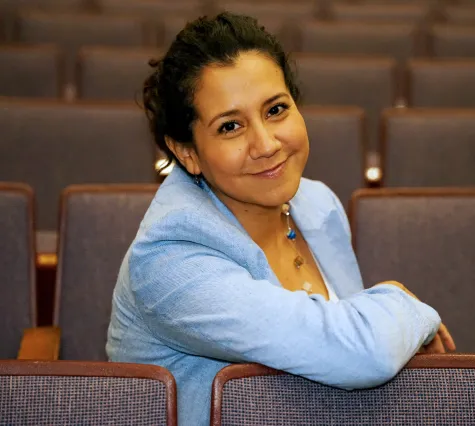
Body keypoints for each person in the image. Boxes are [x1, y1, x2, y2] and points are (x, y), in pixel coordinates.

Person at [106, 12, 455, 426]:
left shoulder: (316, 203)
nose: (267, 144)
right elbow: (365, 353)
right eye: (231, 126)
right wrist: (401, 300)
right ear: (187, 152)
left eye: (275, 110)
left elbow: (342, 366)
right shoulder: (168, 259)